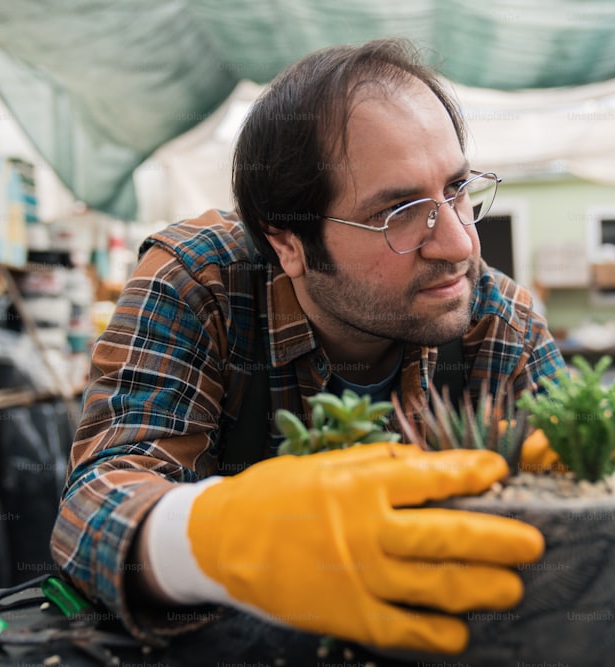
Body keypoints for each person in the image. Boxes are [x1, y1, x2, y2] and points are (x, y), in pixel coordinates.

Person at [51, 38, 567, 654]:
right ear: (288, 243)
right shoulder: (200, 284)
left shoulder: (497, 318)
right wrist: (222, 537)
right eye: (400, 211)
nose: (459, 245)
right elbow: (93, 512)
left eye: (457, 189)